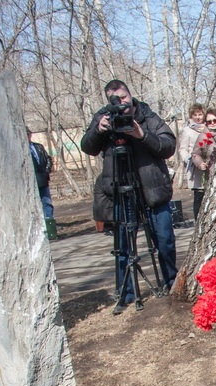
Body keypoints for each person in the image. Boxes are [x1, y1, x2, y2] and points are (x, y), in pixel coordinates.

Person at [80, 80, 177, 312]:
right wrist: (98, 130)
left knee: (164, 240)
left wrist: (141, 134)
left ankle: (171, 283)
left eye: (123, 97)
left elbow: (168, 145)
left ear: (130, 95)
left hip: (152, 190)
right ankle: (127, 292)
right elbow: (87, 146)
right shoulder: (104, 117)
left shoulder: (147, 116)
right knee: (123, 246)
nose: (120, 103)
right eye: (115, 99)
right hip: (122, 193)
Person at [27, 127, 55, 240]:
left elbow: (48, 159)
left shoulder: (38, 147)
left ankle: (50, 228)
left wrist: (47, 169)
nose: (28, 136)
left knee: (47, 203)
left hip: (43, 180)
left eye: (29, 134)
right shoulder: (22, 148)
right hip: (31, 183)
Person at [179, 103, 206, 217]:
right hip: (195, 167)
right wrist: (189, 159)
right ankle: (198, 224)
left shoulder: (209, 128)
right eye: (195, 115)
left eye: (200, 114)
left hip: (209, 165)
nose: (198, 117)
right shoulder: (187, 130)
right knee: (199, 196)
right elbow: (183, 149)